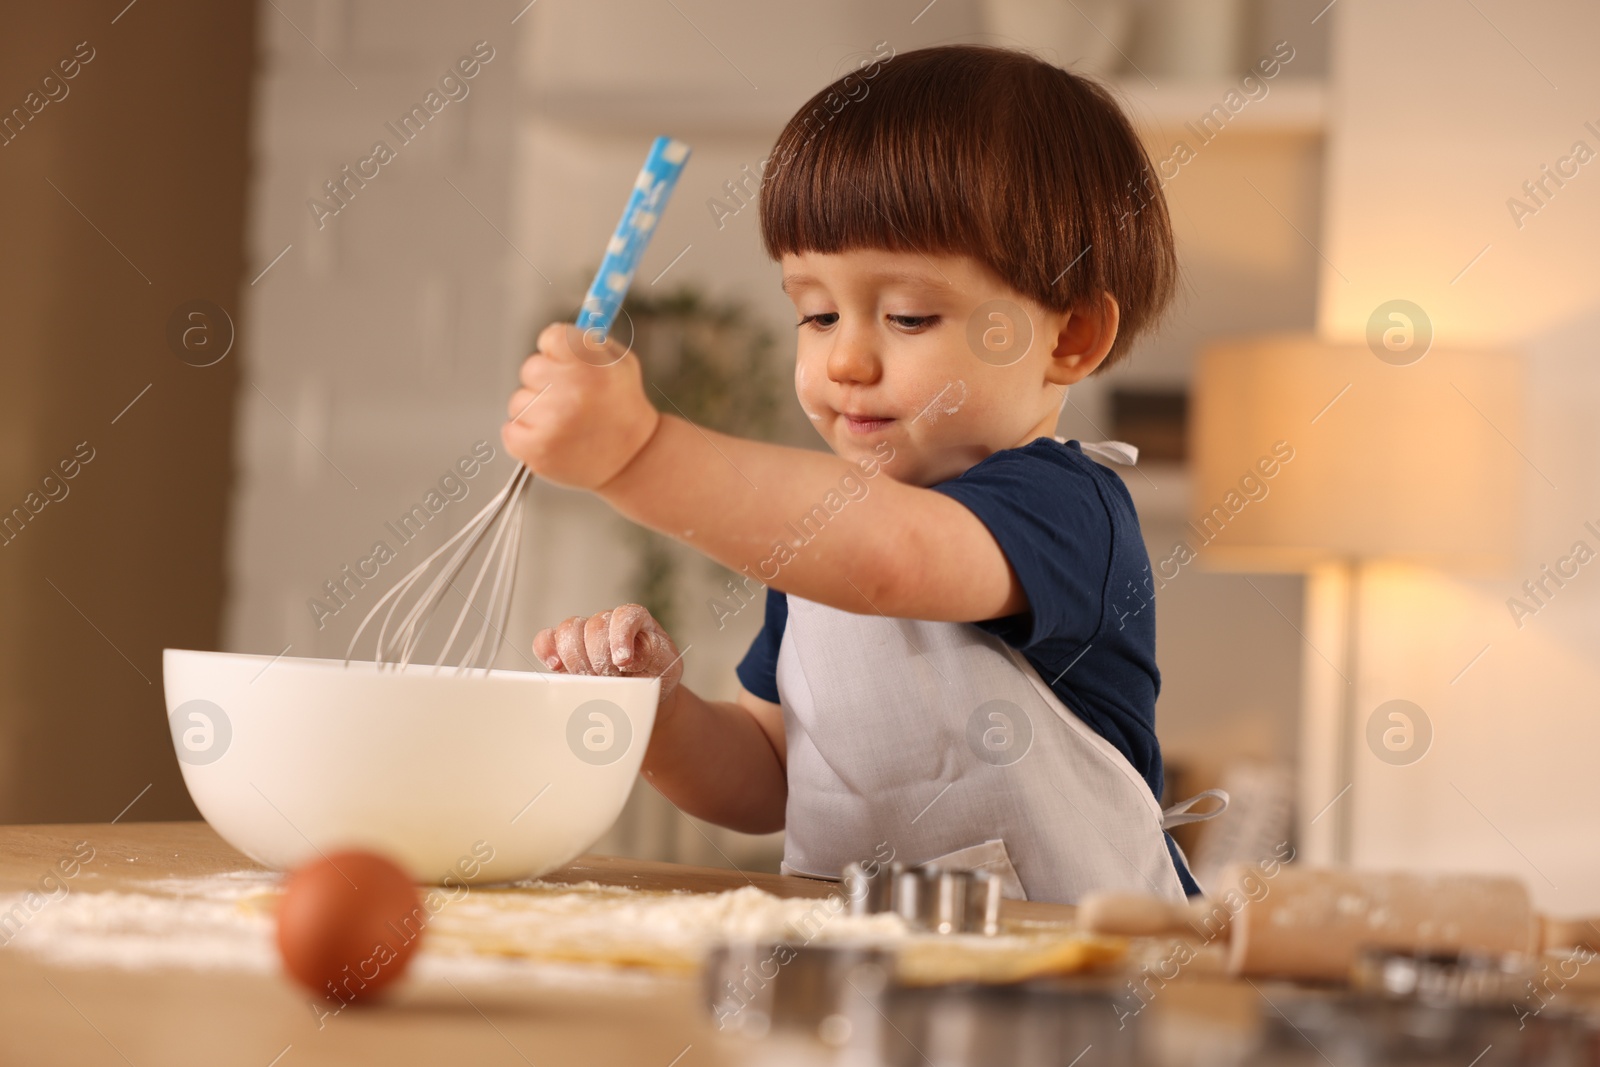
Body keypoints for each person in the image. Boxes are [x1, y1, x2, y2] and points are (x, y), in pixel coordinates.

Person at [501, 43, 1219, 903]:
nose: (844, 357)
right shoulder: (820, 548)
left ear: (1068, 338)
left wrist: (637, 454)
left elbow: (892, 562)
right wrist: (657, 711)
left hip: (1072, 991)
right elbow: (770, 776)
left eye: (909, 316)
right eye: (816, 312)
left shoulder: (1069, 510)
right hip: (855, 974)